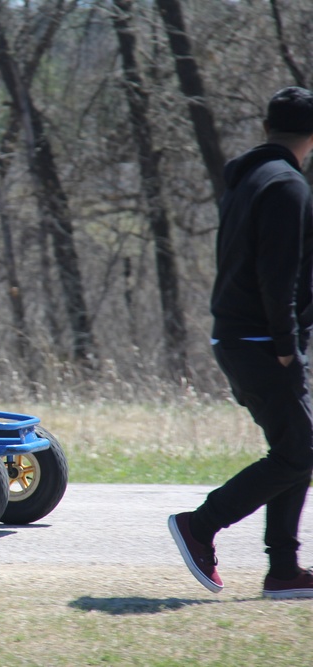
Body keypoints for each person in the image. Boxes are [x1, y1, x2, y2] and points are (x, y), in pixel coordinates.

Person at [169, 86, 313, 599]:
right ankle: (200, 525)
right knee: (300, 451)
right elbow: (279, 276)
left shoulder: (248, 179)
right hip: (262, 341)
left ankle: (284, 571)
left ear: (267, 128)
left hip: (239, 336)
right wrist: (287, 345)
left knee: (296, 449)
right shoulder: (287, 186)